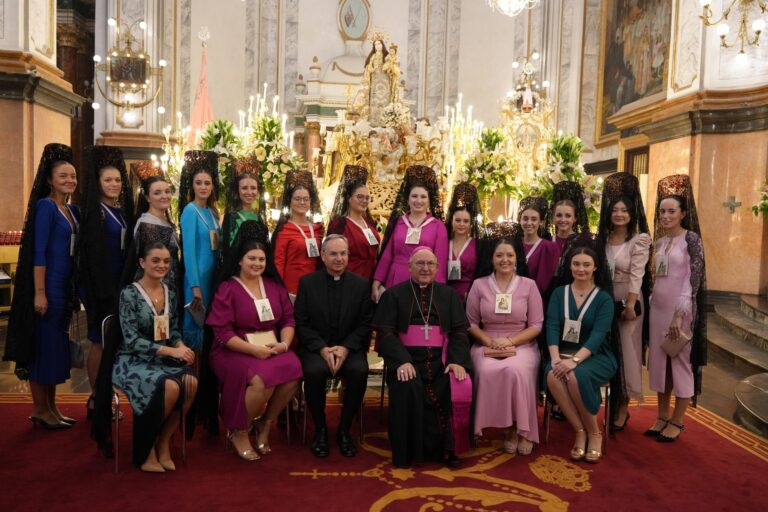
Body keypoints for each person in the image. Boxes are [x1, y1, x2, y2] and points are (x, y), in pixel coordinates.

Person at [207, 220, 302, 460]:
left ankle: (264, 423)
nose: (257, 263)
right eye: (251, 258)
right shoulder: (227, 288)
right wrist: (253, 350)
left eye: (261, 259)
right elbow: (222, 332)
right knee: (260, 380)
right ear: (239, 260)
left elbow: (288, 319)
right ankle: (239, 431)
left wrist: (284, 344)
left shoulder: (273, 286)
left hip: (270, 346)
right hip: (232, 349)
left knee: (294, 369)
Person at [373, 247, 472, 468]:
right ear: (409, 267)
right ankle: (408, 452)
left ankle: (449, 450)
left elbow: (459, 332)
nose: (425, 268)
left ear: (437, 268)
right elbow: (386, 333)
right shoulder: (393, 295)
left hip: (441, 360)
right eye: (420, 263)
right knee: (407, 383)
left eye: (430, 264)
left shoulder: (449, 295)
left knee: (454, 382)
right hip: (407, 360)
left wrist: (456, 361)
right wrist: (401, 360)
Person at [4, 143, 80, 429]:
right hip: (47, 285)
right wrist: (39, 293)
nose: (69, 180)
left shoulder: (70, 210)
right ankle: (39, 408)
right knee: (42, 346)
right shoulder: (46, 206)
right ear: (49, 179)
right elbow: (38, 253)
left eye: (73, 176)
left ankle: (51, 407)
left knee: (54, 347)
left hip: (64, 286)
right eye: (63, 176)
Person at [112, 242, 198, 472]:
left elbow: (173, 331)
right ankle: (146, 447)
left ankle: (163, 440)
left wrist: (181, 346)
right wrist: (172, 351)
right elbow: (131, 340)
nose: (162, 265)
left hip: (161, 359)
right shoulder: (129, 294)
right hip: (131, 360)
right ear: (142, 263)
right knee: (170, 387)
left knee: (190, 382)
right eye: (156, 260)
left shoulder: (170, 293)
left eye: (166, 261)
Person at [294, 234, 374, 458]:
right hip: (316, 348)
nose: (339, 258)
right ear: (323, 256)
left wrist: (345, 348)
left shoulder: (361, 285)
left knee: (359, 370)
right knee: (314, 371)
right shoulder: (307, 283)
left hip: (349, 348)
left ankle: (344, 430)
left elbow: (365, 323)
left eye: (343, 254)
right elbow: (301, 322)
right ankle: (320, 429)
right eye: (333, 254)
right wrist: (322, 348)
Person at [466, 229, 543, 456]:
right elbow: (471, 323)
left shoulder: (529, 285)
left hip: (521, 342)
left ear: (517, 257)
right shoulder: (479, 285)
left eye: (509, 255)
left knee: (516, 370)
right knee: (484, 369)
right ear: (491, 258)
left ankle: (522, 430)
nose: (504, 260)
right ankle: (506, 429)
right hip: (486, 341)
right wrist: (489, 341)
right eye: (499, 255)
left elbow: (536, 325)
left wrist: (510, 341)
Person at [645, 175, 706, 443]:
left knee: (680, 363)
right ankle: (661, 416)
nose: (666, 216)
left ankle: (678, 420)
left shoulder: (691, 239)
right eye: (662, 211)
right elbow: (657, 277)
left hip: (679, 312)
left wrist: (679, 316)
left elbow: (692, 279)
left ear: (683, 213)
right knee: (660, 364)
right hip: (658, 309)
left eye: (672, 211)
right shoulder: (660, 242)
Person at [545, 245, 618, 464]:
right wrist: (555, 359)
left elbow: (598, 335)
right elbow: (552, 326)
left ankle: (594, 432)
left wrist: (574, 361)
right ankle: (579, 431)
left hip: (596, 355)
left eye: (586, 264)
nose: (581, 269)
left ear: (595, 267)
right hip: (561, 353)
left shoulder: (604, 298)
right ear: (569, 266)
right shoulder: (559, 293)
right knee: (552, 375)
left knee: (575, 375)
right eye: (576, 264)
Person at [78, 145, 135, 419]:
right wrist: (102, 290)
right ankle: (95, 399)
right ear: (98, 182)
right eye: (108, 180)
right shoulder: (95, 212)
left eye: (117, 180)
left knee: (111, 341)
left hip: (118, 284)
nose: (114, 184)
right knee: (99, 340)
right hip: (100, 287)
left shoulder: (118, 211)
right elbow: (91, 256)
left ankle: (103, 395)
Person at [595, 173, 652, 431]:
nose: (619, 214)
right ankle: (609, 399)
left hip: (629, 299)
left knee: (627, 352)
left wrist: (629, 305)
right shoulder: (604, 240)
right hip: (606, 300)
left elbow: (637, 275)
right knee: (608, 350)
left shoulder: (639, 240)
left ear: (632, 213)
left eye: (624, 210)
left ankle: (622, 408)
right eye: (615, 210)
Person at [372, 165, 448, 303]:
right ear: (407, 199)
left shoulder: (438, 226)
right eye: (414, 196)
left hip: (423, 281)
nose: (418, 201)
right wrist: (377, 282)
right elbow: (387, 255)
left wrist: (437, 291)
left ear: (429, 201)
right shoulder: (399, 222)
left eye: (423, 197)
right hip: (395, 278)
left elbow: (440, 262)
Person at [178, 150, 222, 351]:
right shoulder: (190, 210)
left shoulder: (213, 212)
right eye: (199, 183)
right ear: (192, 186)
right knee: (195, 324)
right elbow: (188, 251)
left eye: (207, 183)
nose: (203, 187)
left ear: (213, 186)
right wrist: (194, 285)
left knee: (208, 324)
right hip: (197, 278)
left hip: (212, 276)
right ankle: (191, 368)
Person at [124, 170, 182, 318]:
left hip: (170, 285)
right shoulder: (147, 224)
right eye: (157, 193)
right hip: (155, 289)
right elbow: (151, 264)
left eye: (167, 191)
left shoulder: (166, 222)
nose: (164, 196)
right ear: (147, 197)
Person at [272, 170, 324, 299]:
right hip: (292, 288)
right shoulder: (285, 230)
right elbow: (279, 263)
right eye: (297, 199)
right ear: (290, 201)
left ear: (310, 202)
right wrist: (279, 292)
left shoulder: (317, 229)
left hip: (315, 287)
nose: (302, 202)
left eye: (306, 199)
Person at [326, 165, 381, 280]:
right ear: (349, 198)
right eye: (360, 197)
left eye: (367, 198)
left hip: (372, 277)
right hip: (351, 278)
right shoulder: (340, 224)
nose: (364, 201)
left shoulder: (369, 223)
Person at [221, 156, 268, 260]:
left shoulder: (258, 218)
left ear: (258, 191)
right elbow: (228, 252)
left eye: (253, 188)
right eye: (244, 188)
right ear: (237, 190)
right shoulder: (231, 218)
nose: (249, 192)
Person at [445, 182, 483, 303]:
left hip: (470, 295)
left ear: (471, 224)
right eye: (458, 220)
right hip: (446, 295)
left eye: (466, 221)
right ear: (452, 221)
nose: (461, 224)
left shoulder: (478, 245)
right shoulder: (444, 243)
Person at [517, 196, 559, 297]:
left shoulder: (549, 248)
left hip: (534, 297)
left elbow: (543, 283)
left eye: (534, 219)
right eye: (525, 219)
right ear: (520, 220)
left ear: (541, 222)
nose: (529, 223)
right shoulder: (513, 244)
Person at [551, 181, 591, 257]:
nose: (563, 220)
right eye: (559, 215)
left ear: (575, 218)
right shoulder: (548, 242)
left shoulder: (583, 242)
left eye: (568, 216)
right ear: (553, 217)